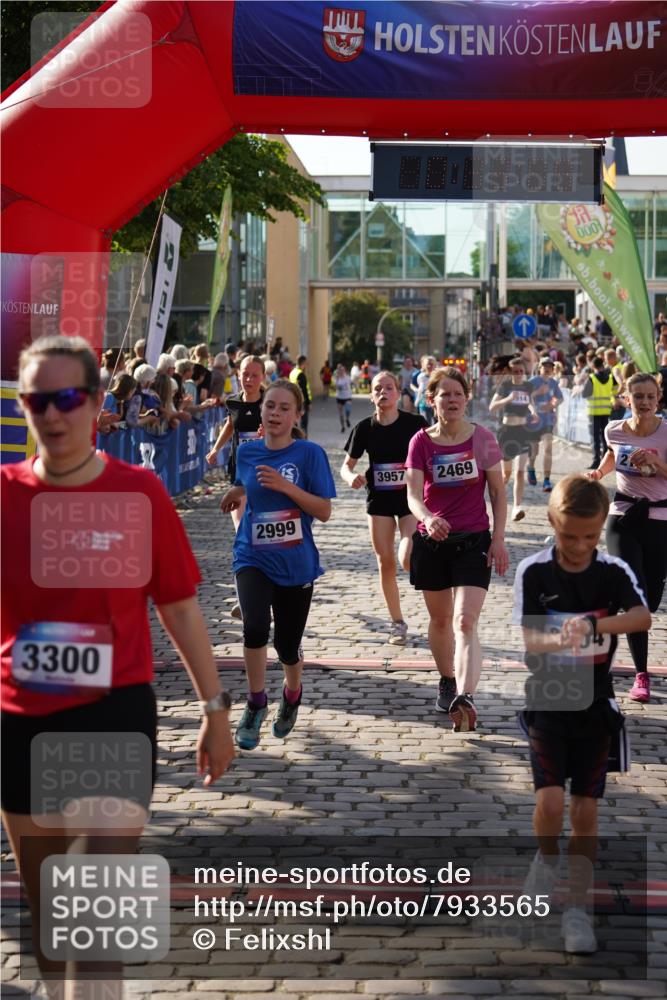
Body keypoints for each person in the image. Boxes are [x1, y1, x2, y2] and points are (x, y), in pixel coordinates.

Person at [1, 335, 235, 996]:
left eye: (68, 397)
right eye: (38, 400)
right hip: (22, 719)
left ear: (98, 401)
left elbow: (179, 607)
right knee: (51, 917)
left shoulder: (137, 491)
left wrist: (215, 710)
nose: (53, 413)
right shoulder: (5, 497)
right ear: (22, 406)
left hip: (113, 715)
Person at [513, 475, 649, 954]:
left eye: (590, 537)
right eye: (569, 536)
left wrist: (594, 625)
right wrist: (560, 638)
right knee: (551, 804)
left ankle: (577, 909)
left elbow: (642, 616)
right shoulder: (534, 571)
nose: (578, 546)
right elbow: (530, 639)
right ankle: (546, 859)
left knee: (585, 811)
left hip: (594, 704)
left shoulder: (612, 571)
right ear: (553, 521)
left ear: (600, 528)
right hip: (549, 697)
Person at [220, 380, 336, 750]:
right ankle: (255, 703)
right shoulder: (248, 452)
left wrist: (288, 488)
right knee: (255, 626)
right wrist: (237, 491)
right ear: (262, 410)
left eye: (285, 408)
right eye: (270, 406)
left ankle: (292, 693)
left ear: (297, 415)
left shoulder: (309, 454)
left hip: (295, 562)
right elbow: (249, 483)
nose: (275, 413)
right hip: (252, 555)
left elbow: (324, 511)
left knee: (287, 645)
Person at [406, 366, 508, 731]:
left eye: (458, 394)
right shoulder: (420, 442)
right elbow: (413, 495)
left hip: (473, 540)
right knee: (440, 621)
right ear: (431, 400)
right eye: (444, 394)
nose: (452, 400)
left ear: (467, 399)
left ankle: (465, 697)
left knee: (465, 621)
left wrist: (499, 539)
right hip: (432, 543)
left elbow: (498, 493)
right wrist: (428, 518)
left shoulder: (483, 439)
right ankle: (447, 679)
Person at [587, 372, 667, 702]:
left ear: (658, 399)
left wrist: (657, 463)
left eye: (650, 396)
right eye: (638, 396)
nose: (644, 402)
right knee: (635, 596)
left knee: (650, 601)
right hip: (623, 515)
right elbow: (612, 452)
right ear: (626, 399)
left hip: (660, 519)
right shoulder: (614, 429)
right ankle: (641, 675)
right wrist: (599, 472)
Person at [341, 371, 426, 645]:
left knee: (407, 556)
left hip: (410, 498)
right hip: (379, 500)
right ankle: (397, 622)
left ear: (398, 393)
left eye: (389, 388)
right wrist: (350, 477)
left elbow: (433, 452)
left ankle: (434, 603)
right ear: (371, 395)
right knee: (385, 562)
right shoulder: (364, 428)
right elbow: (346, 466)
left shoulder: (415, 424)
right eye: (378, 388)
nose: (383, 392)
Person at [488, 357, 538, 521]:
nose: (518, 374)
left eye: (521, 371)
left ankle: (516, 507)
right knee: (505, 475)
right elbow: (492, 407)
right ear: (511, 372)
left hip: (522, 431)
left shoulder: (528, 386)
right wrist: (508, 399)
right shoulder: (505, 386)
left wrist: (534, 412)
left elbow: (530, 402)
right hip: (507, 432)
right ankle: (498, 502)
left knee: (520, 471)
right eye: (515, 371)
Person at [526, 357, 563, 492]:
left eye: (550, 367)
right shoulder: (532, 381)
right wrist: (538, 392)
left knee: (548, 448)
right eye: (545, 366)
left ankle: (547, 480)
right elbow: (526, 398)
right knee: (534, 451)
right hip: (534, 421)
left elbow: (560, 398)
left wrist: (552, 405)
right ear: (540, 368)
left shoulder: (553, 383)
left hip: (547, 420)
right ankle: (531, 467)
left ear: (553, 369)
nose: (547, 369)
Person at [582, 355, 615, 469]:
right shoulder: (610, 377)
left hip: (594, 411)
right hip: (606, 411)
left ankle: (596, 461)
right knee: (605, 437)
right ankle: (605, 460)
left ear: (593, 366)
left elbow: (584, 394)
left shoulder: (592, 378)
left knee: (595, 437)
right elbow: (615, 390)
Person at [289, 355, 312, 437]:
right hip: (302, 401)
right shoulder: (301, 374)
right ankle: (303, 439)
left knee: (295, 420)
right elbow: (304, 390)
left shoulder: (292, 372)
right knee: (303, 422)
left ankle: (295, 437)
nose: (307, 365)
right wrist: (308, 403)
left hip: (293, 399)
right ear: (303, 363)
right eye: (306, 363)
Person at [414, 355, 437, 425]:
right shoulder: (421, 377)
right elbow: (420, 389)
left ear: (434, 365)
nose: (429, 366)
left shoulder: (437, 377)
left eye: (431, 364)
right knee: (426, 423)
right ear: (424, 365)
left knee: (436, 423)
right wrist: (417, 400)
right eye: (428, 364)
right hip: (424, 403)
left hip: (435, 404)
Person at [334, 363, 353, 432]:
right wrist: (338, 387)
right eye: (340, 370)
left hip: (347, 396)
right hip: (339, 397)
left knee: (348, 410)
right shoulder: (337, 378)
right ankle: (342, 426)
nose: (341, 372)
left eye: (343, 370)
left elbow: (351, 384)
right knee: (341, 413)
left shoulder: (347, 377)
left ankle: (347, 419)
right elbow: (335, 387)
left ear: (344, 371)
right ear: (338, 371)